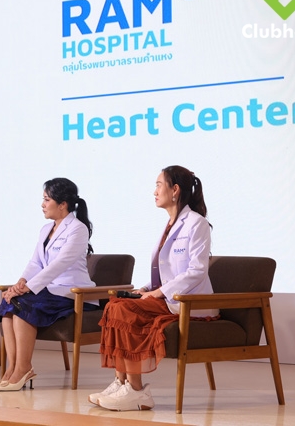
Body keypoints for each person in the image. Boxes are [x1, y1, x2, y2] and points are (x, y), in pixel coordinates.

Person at [91, 165, 217, 411]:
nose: (155, 191)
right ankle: (121, 382)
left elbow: (197, 271)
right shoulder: (169, 225)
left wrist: (157, 293)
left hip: (189, 303)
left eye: (159, 185)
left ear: (175, 190)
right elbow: (166, 271)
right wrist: (146, 288)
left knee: (124, 310)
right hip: (168, 297)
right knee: (115, 304)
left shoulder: (197, 223)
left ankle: (137, 392)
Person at [0, 178, 98, 391]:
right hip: (49, 290)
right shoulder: (45, 230)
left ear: (62, 204)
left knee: (23, 304)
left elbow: (60, 264)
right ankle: (13, 368)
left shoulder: (78, 229)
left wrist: (28, 288)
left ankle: (23, 368)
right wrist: (21, 282)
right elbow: (36, 262)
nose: (42, 204)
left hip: (71, 292)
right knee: (9, 303)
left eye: (47, 200)